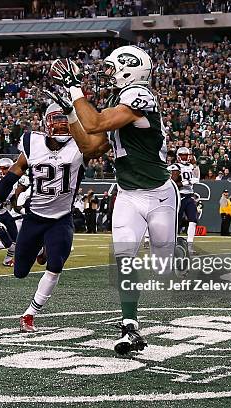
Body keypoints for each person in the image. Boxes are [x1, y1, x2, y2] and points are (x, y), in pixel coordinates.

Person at [47, 45, 180, 355]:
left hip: (159, 194)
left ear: (129, 69)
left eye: (111, 67)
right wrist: (70, 111)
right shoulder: (115, 101)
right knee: (125, 257)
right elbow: (91, 147)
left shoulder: (141, 96)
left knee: (164, 268)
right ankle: (130, 326)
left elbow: (95, 124)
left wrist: (75, 88)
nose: (107, 73)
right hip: (128, 194)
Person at [0, 101, 90, 334]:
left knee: (56, 265)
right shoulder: (32, 143)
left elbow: (102, 140)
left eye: (66, 119)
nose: (63, 124)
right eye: (58, 119)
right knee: (20, 272)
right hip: (34, 218)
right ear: (47, 122)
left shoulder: (81, 145)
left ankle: (30, 313)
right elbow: (11, 178)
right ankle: (41, 250)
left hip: (62, 217)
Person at [168, 147, 200, 253]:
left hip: (189, 195)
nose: (184, 157)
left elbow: (196, 176)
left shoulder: (191, 166)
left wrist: (193, 178)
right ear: (178, 156)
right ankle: (173, 243)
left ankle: (190, 244)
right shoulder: (176, 167)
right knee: (177, 221)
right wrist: (185, 183)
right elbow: (171, 184)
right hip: (179, 196)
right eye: (182, 155)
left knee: (193, 219)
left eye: (186, 155)